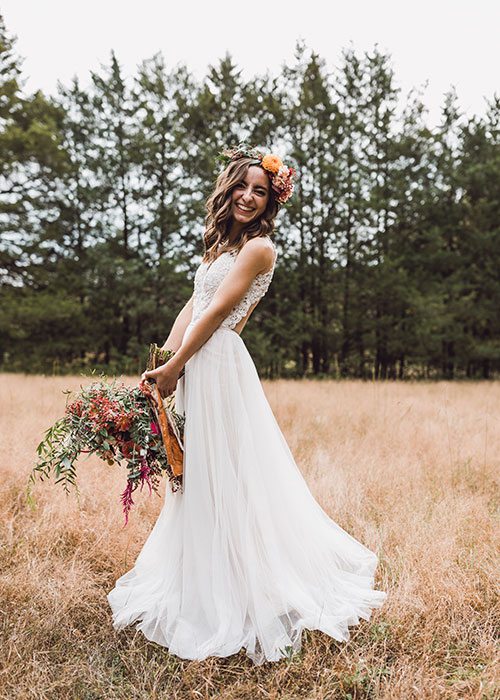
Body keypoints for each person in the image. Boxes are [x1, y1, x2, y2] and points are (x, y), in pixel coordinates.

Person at [107, 143, 387, 665]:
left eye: (261, 191)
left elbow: (214, 316)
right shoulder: (218, 244)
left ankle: (245, 589)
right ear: (228, 186)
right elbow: (191, 307)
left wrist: (178, 366)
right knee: (196, 477)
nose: (248, 197)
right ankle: (203, 576)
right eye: (242, 186)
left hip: (218, 366)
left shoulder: (260, 249)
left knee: (226, 475)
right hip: (195, 364)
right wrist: (162, 364)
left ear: (270, 201)